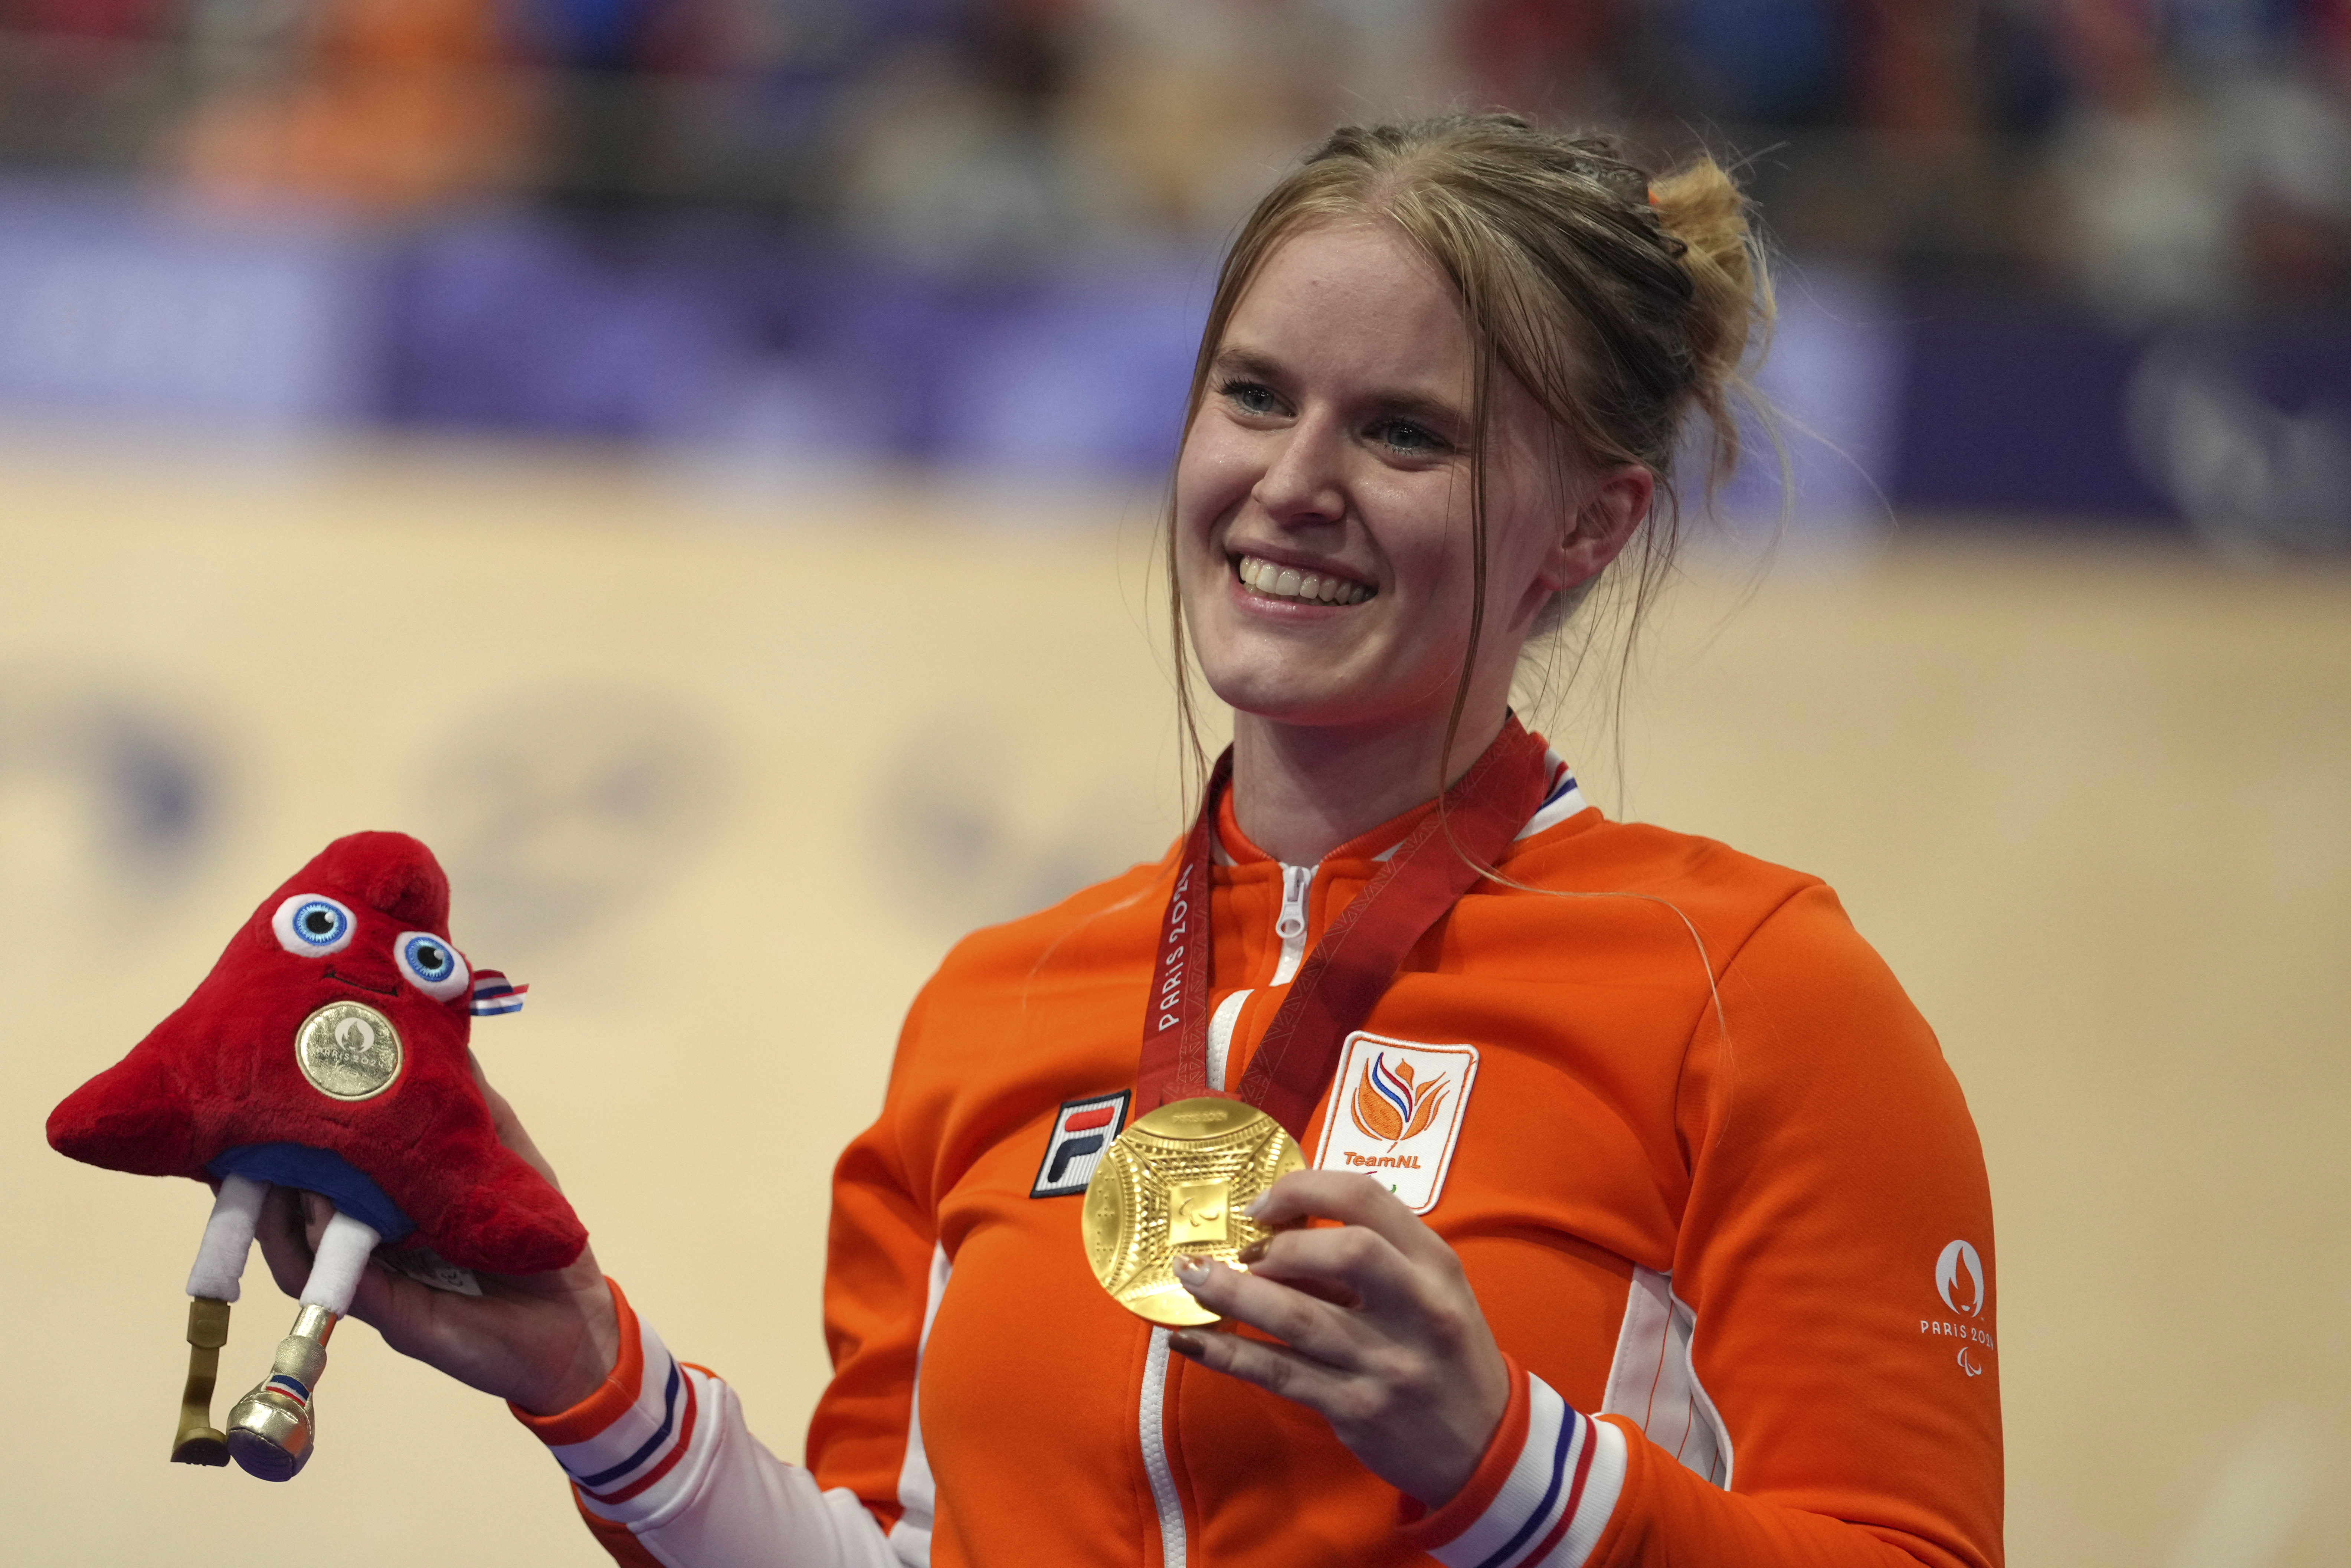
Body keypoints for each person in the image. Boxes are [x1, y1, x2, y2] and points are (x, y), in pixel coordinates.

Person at [261, 114, 2001, 1568]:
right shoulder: (998, 1005)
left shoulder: (1751, 989)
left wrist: (1510, 1470)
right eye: (1255, 396)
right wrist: (590, 1374)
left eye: (1405, 431)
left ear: (1590, 527)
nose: (1294, 481)